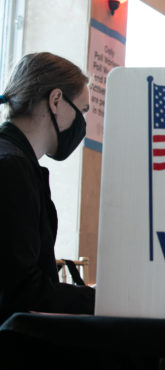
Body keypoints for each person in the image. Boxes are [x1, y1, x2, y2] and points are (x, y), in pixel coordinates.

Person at [0, 52, 95, 323]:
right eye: (83, 110)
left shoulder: (16, 162)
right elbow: (22, 292)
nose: (82, 123)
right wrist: (96, 299)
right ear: (55, 100)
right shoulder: (12, 168)